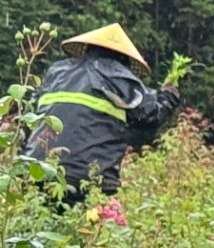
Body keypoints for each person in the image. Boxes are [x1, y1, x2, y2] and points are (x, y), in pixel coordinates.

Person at [25, 24, 181, 201]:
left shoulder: (56, 72)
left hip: (36, 170)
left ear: (87, 49)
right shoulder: (120, 77)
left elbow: (28, 115)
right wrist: (169, 95)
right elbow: (150, 116)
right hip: (87, 179)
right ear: (124, 59)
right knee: (86, 225)